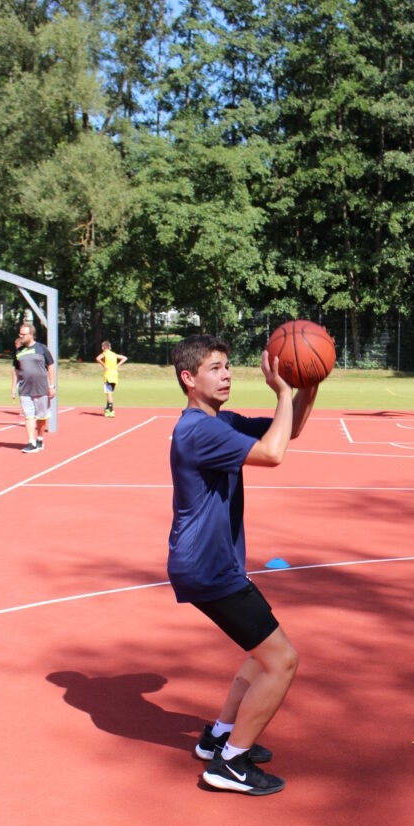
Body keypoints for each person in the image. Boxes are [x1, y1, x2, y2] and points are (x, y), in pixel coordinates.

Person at [167, 334, 317, 796]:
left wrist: (309, 384)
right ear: (188, 378)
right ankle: (230, 763)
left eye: (227, 366)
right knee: (282, 661)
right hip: (208, 567)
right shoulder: (199, 430)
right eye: (215, 368)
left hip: (212, 564)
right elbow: (273, 454)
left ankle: (218, 737)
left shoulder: (220, 422)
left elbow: (287, 431)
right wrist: (284, 390)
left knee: (262, 652)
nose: (227, 374)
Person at [12, 318, 55, 453]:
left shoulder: (42, 348)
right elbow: (16, 370)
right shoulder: (19, 351)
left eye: (23, 334)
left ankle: (40, 439)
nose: (21, 336)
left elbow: (50, 366)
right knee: (29, 416)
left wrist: (52, 386)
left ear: (31, 334)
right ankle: (31, 442)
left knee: (41, 417)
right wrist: (13, 388)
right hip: (24, 389)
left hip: (41, 388)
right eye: (20, 334)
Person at [95, 340, 127, 417]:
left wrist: (104, 365)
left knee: (109, 393)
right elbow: (125, 358)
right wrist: (117, 365)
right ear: (110, 347)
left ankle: (111, 410)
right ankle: (107, 408)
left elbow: (98, 358)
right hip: (115, 375)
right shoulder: (114, 354)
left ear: (103, 347)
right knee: (111, 393)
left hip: (108, 375)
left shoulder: (105, 354)